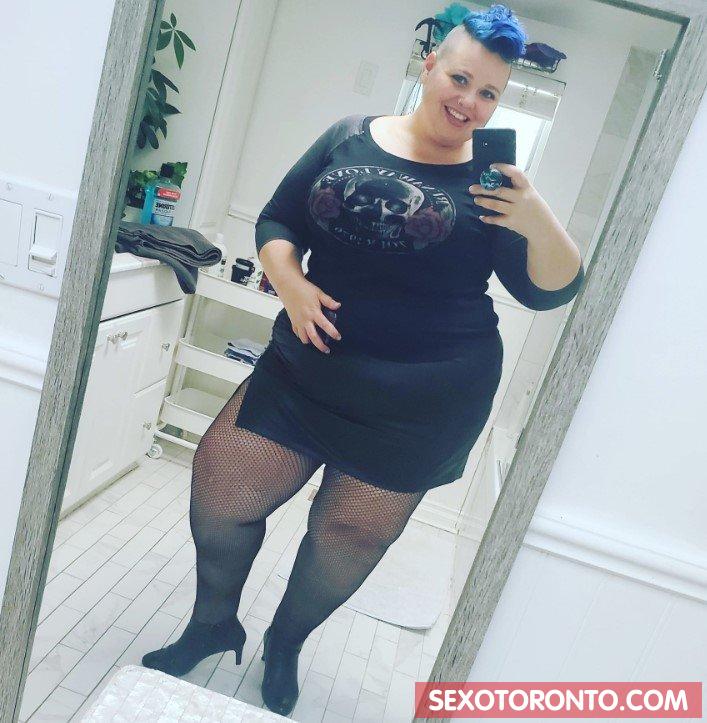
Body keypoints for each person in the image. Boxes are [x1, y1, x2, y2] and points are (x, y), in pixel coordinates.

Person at [141, 4, 585, 716]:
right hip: (306, 371)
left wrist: (537, 218)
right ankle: (212, 623)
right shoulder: (349, 135)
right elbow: (278, 219)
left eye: (489, 93)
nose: (469, 102)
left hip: (423, 400)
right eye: (461, 78)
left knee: (346, 538)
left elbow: (547, 290)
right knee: (222, 493)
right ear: (429, 64)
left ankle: (285, 644)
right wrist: (290, 283)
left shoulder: (492, 183)